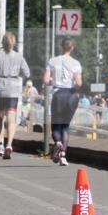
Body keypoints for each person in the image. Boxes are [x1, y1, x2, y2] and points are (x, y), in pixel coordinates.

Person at [0, 31, 31, 159]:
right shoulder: (19, 56)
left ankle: (1, 145)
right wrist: (18, 77)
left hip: (1, 87)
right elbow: (27, 73)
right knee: (11, 118)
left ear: (2, 42)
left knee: (0, 118)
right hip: (13, 88)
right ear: (14, 43)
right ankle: (9, 144)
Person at [44, 38, 83, 166]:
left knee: (56, 124)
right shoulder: (76, 63)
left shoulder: (52, 61)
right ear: (72, 48)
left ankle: (58, 143)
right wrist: (71, 84)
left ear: (61, 47)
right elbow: (78, 83)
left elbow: (46, 81)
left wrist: (54, 81)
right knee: (65, 126)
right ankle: (63, 156)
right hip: (71, 95)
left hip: (58, 93)